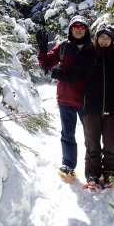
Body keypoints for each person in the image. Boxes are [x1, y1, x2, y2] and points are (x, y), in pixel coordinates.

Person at [51, 23, 114, 189]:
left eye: (108, 38)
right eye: (101, 36)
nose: (104, 40)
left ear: (112, 40)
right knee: (92, 145)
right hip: (91, 109)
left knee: (110, 145)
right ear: (97, 38)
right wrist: (54, 73)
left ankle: (110, 175)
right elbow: (73, 76)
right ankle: (93, 175)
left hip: (112, 109)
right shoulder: (87, 55)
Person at [35, 15, 92, 179]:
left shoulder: (92, 49)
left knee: (92, 135)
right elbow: (46, 66)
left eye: (81, 27)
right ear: (70, 29)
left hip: (87, 99)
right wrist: (42, 50)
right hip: (66, 98)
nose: (78, 30)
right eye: (75, 27)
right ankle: (68, 165)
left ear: (86, 30)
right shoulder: (63, 47)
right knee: (68, 133)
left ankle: (94, 167)